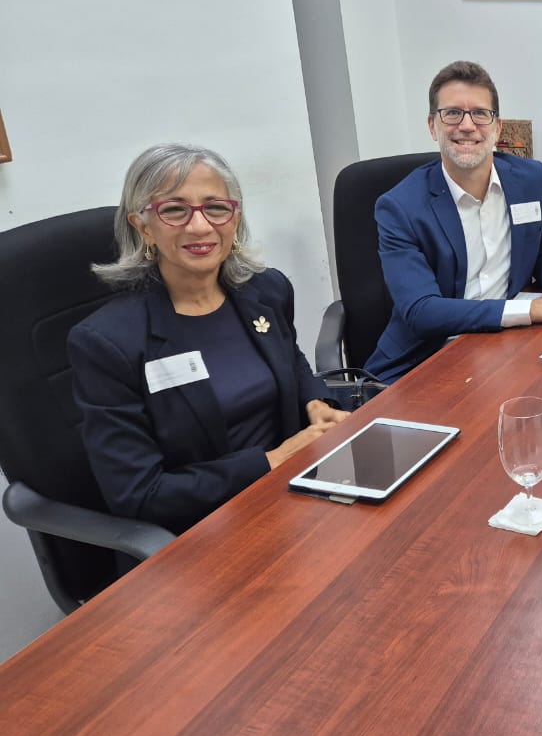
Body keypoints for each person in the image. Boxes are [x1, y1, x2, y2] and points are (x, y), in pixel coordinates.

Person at [68, 144, 348, 536]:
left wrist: (316, 402)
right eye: (175, 210)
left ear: (235, 218)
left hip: (298, 496)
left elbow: (292, 361)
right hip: (206, 532)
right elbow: (139, 494)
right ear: (143, 226)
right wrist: (273, 460)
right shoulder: (107, 343)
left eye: (215, 207)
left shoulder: (266, 291)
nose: (200, 227)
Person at [366, 60, 542, 383]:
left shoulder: (530, 179)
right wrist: (534, 310)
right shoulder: (400, 207)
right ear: (432, 126)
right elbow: (422, 311)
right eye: (452, 113)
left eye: (480, 114)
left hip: (506, 348)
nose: (467, 125)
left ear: (497, 128)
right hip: (426, 360)